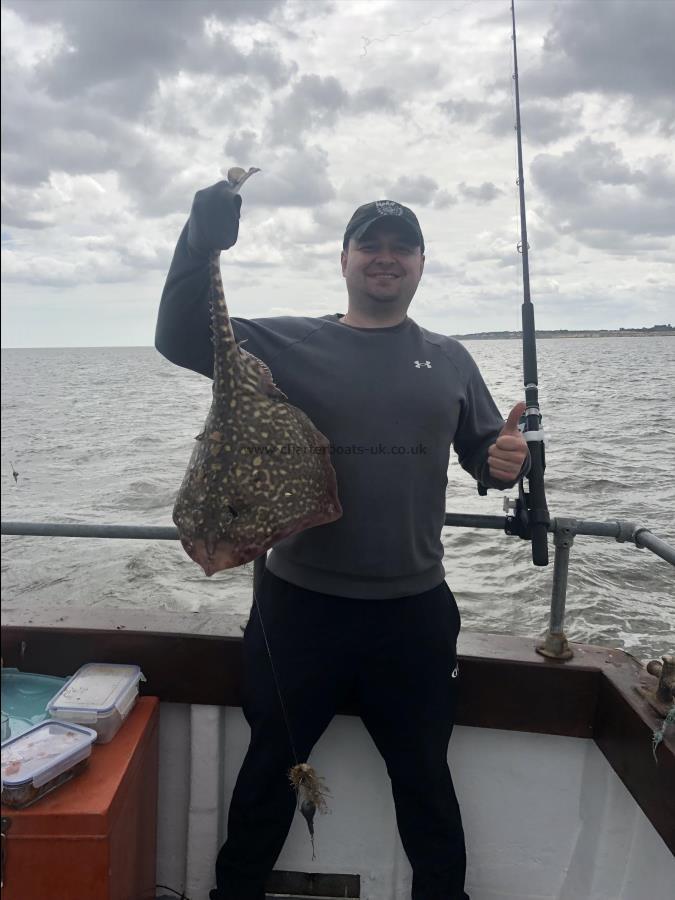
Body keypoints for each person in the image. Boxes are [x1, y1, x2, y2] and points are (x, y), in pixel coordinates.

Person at [155, 181, 529, 900]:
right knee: (270, 769)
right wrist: (199, 243)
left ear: (421, 263)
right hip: (300, 610)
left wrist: (506, 464)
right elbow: (178, 337)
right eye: (370, 246)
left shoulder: (449, 359)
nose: (384, 259)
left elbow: (487, 454)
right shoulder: (287, 341)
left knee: (424, 779)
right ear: (344, 259)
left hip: (414, 612)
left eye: (400, 248)